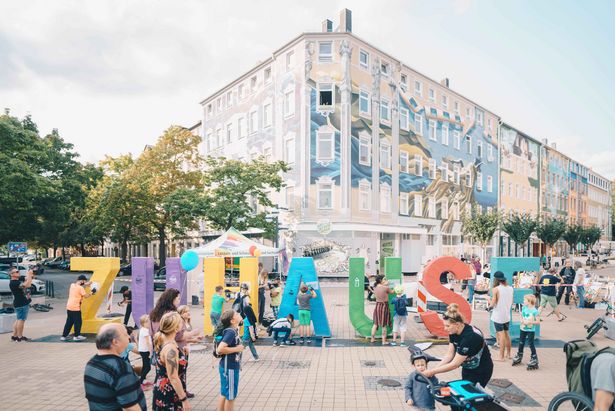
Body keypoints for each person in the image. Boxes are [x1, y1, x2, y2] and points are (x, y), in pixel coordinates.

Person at [422, 304, 494, 389]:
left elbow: (454, 364)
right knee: (465, 392)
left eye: (447, 326)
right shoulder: (453, 332)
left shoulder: (470, 337)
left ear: (457, 324)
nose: (445, 328)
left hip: (481, 370)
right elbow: (449, 355)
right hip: (469, 366)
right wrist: (434, 370)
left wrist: (432, 371)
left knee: (471, 396)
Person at [150, 289, 202, 399]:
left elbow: (152, 333)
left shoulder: (154, 313)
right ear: (172, 299)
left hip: (158, 349)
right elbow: (179, 336)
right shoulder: (172, 315)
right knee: (177, 375)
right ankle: (181, 393)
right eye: (178, 298)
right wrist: (192, 334)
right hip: (175, 349)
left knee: (163, 374)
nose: (179, 301)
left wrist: (192, 339)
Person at [84, 323, 147, 411]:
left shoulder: (91, 363)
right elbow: (130, 407)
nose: (129, 337)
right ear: (115, 342)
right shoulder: (121, 368)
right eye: (125, 334)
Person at [152, 311, 191, 411]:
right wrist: (184, 399)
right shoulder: (170, 349)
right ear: (176, 328)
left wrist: (183, 354)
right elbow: (173, 377)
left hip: (164, 389)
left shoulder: (164, 339)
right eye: (180, 323)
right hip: (170, 393)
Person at [216, 309, 245, 411]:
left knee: (224, 393)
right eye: (236, 314)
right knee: (231, 396)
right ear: (232, 321)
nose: (239, 314)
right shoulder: (231, 332)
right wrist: (237, 349)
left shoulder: (233, 330)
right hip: (230, 368)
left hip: (226, 367)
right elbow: (220, 349)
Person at [489, 271, 513, 361]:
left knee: (501, 335)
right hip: (506, 315)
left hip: (498, 315)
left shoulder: (496, 289)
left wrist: (488, 302)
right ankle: (509, 354)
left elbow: (493, 303)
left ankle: (501, 357)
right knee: (507, 334)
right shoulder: (510, 288)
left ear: (495, 279)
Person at [512, 294, 539, 370]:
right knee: (521, 342)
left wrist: (530, 322)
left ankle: (534, 357)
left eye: (525, 300)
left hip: (531, 330)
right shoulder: (524, 308)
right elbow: (521, 315)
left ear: (529, 301)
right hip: (522, 328)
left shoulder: (534, 311)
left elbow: (537, 322)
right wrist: (521, 319)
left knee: (531, 343)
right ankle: (519, 354)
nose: (523, 301)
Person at [62, 274, 92, 341]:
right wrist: (92, 293)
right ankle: (76, 336)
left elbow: (79, 286)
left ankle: (64, 336)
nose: (84, 282)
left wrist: (86, 284)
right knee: (78, 322)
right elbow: (86, 296)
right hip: (76, 307)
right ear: (81, 281)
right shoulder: (80, 288)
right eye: (84, 281)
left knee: (69, 322)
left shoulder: (72, 285)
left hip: (69, 306)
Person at [9, 266, 34, 342]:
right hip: (21, 303)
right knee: (21, 320)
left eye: (18, 271)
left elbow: (26, 280)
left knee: (18, 319)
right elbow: (28, 285)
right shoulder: (14, 283)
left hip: (19, 303)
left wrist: (29, 275)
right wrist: (29, 275)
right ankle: (20, 337)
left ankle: (14, 336)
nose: (18, 272)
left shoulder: (17, 280)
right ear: (11, 274)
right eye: (16, 272)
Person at [370, 275, 394, 345]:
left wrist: (385, 284)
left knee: (375, 323)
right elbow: (392, 292)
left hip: (377, 306)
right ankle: (384, 341)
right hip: (384, 306)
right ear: (380, 280)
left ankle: (372, 338)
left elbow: (380, 288)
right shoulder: (386, 288)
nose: (386, 280)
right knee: (384, 325)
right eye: (384, 279)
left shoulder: (375, 287)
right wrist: (393, 287)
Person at [137, 315, 153, 391]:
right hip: (145, 350)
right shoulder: (145, 331)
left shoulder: (143, 329)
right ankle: (140, 382)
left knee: (145, 366)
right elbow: (148, 342)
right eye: (148, 322)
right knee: (148, 367)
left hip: (143, 350)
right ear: (144, 323)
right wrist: (150, 352)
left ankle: (143, 380)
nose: (149, 323)